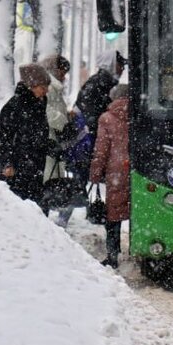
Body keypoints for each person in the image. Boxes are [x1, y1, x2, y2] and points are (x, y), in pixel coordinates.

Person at [0, 63, 51, 209]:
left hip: (35, 169)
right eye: (42, 87)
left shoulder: (39, 104)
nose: (46, 91)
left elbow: (36, 135)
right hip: (16, 172)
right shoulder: (16, 105)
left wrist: (49, 146)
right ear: (31, 86)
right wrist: (7, 162)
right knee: (18, 210)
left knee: (34, 210)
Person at [88, 84, 131, 268]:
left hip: (117, 171)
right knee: (138, 209)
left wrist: (95, 173)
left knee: (114, 212)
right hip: (137, 169)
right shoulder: (139, 114)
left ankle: (113, 255)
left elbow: (101, 149)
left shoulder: (107, 118)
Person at [39, 54, 80, 226]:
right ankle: (42, 220)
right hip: (50, 139)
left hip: (53, 140)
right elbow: (47, 111)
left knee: (49, 182)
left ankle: (44, 220)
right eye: (63, 72)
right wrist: (64, 122)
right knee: (47, 183)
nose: (64, 76)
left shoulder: (53, 88)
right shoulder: (49, 88)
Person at [76, 49, 125, 144]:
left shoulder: (104, 83)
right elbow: (90, 114)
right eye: (120, 65)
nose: (122, 69)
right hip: (91, 138)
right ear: (111, 64)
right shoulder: (98, 84)